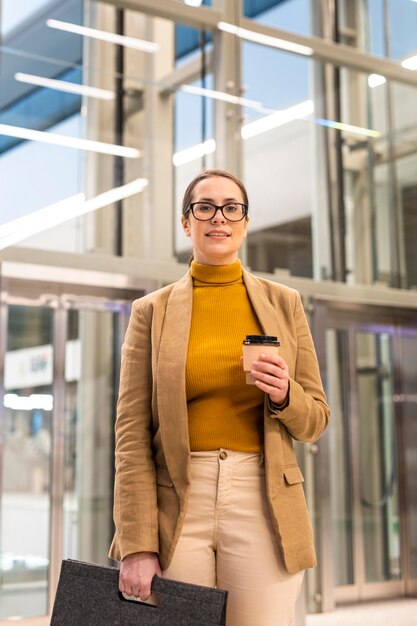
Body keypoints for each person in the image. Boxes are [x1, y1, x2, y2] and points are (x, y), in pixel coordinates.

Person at [109, 169, 330, 626]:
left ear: (245, 222)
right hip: (178, 502)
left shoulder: (284, 302)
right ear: (186, 223)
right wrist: (136, 543)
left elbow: (316, 422)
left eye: (232, 208)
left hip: (263, 498)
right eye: (204, 207)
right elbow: (131, 436)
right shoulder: (151, 312)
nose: (219, 218)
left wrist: (286, 395)